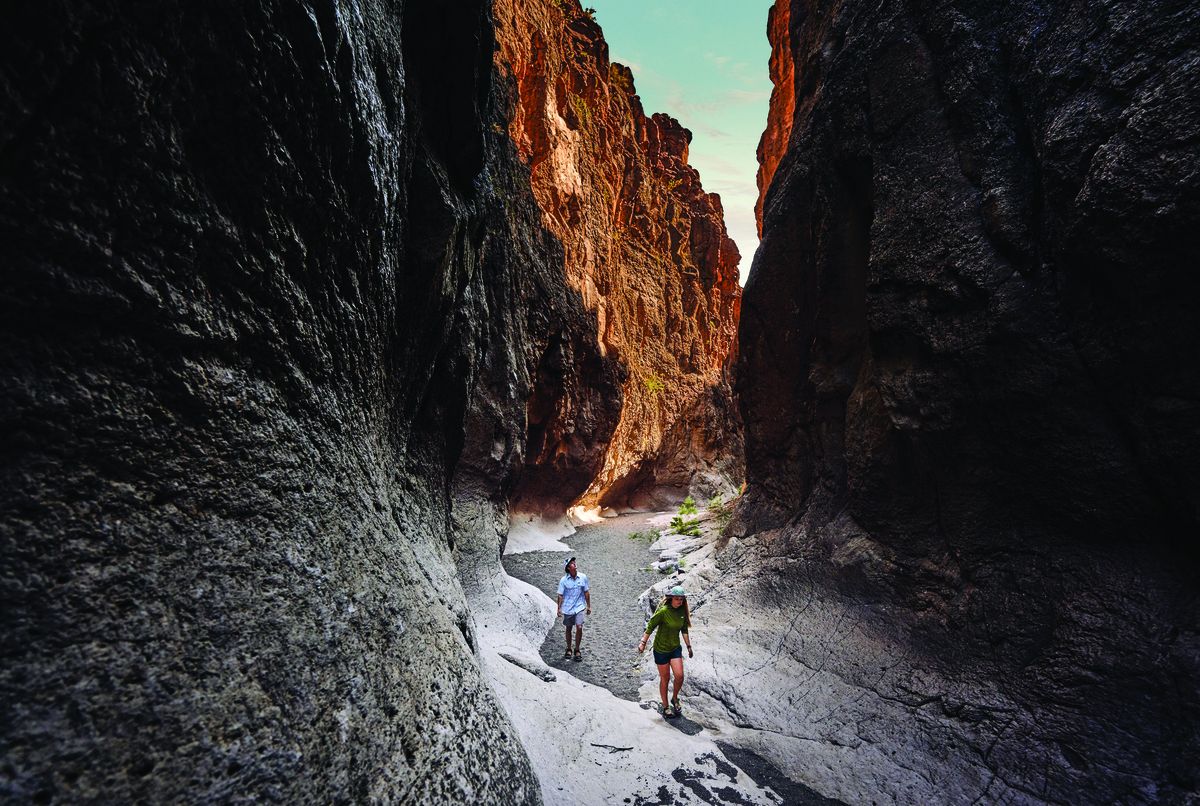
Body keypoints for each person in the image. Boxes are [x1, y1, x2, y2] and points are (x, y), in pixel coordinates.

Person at [637, 585, 693, 718]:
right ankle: (666, 706)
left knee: (679, 676)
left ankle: (675, 698)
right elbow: (651, 626)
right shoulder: (663, 611)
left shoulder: (682, 613)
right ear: (671, 598)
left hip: (674, 648)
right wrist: (643, 643)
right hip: (661, 650)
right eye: (677, 599)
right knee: (665, 678)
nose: (680, 601)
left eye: (681, 599)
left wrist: (689, 646)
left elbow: (684, 629)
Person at [557, 556, 590, 661]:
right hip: (568, 608)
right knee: (569, 628)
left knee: (579, 627)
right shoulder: (563, 580)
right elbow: (560, 595)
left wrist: (589, 606)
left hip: (579, 606)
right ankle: (569, 648)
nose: (574, 564)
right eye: (572, 563)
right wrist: (558, 608)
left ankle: (577, 649)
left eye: (574, 562)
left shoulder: (583, 577)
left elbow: (586, 592)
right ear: (568, 568)